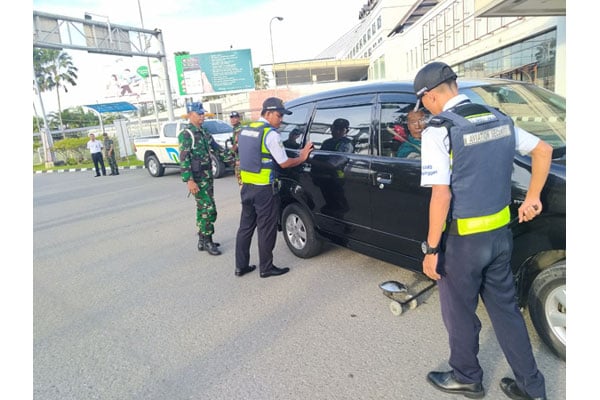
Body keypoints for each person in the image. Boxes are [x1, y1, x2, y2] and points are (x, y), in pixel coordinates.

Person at [415, 62, 551, 400]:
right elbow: (543, 150)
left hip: (463, 244)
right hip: (500, 237)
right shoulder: (499, 119)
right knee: (506, 313)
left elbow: (441, 194)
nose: (425, 108)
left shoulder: (439, 130)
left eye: (424, 102)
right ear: (455, 86)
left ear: (431, 96)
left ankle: (467, 378)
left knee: (459, 313)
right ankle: (531, 387)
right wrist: (532, 196)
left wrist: (432, 250)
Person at [234, 97, 313, 278]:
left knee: (245, 228)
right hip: (264, 191)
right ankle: (266, 268)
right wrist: (301, 157)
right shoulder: (270, 134)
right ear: (268, 113)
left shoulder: (246, 130)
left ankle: (241, 266)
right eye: (279, 115)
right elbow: (284, 162)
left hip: (247, 187)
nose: (281, 120)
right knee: (266, 229)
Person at [178, 102, 232, 256]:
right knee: (209, 209)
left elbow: (217, 149)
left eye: (202, 114)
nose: (202, 116)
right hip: (197, 179)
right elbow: (184, 159)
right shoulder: (186, 134)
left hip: (207, 177)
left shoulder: (204, 132)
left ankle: (203, 240)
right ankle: (207, 240)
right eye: (198, 114)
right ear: (190, 115)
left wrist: (234, 160)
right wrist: (189, 180)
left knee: (202, 209)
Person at [229, 111, 243, 186]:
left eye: (235, 118)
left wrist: (229, 153)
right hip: (240, 159)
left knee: (241, 183)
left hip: (240, 160)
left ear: (239, 118)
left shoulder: (239, 130)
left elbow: (237, 145)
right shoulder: (235, 129)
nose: (233, 120)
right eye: (231, 118)